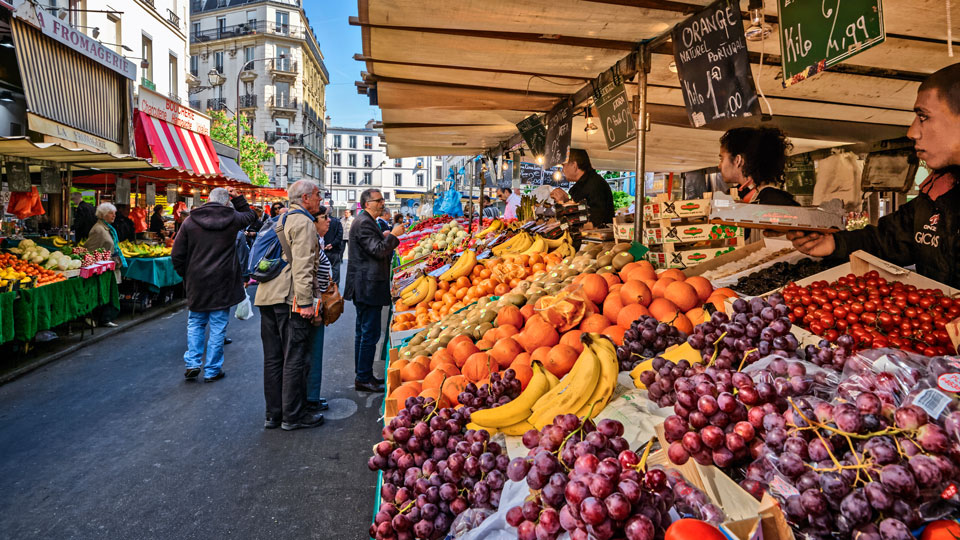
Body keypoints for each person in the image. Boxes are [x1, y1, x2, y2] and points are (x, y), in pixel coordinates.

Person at [788, 63, 960, 288]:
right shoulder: (935, 195)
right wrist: (834, 244)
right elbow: (888, 239)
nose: (912, 132)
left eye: (924, 116)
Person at [254, 180, 325, 430]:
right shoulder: (304, 222)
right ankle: (293, 416)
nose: (320, 199)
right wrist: (305, 302)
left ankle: (273, 414)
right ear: (305, 198)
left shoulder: (280, 219)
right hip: (289, 298)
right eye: (317, 195)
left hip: (267, 296)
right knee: (295, 357)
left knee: (273, 359)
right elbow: (303, 266)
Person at [171, 188, 256, 383]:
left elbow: (177, 254)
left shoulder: (190, 221)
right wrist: (239, 198)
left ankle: (192, 363)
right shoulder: (232, 218)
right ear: (227, 202)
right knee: (218, 325)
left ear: (207, 199)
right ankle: (212, 369)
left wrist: (187, 273)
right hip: (223, 279)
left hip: (197, 279)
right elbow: (251, 215)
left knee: (196, 322)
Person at [344, 188, 405, 392]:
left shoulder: (366, 222)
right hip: (367, 286)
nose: (382, 203)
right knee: (368, 333)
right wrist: (393, 236)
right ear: (366, 203)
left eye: (382, 200)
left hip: (366, 285)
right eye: (378, 201)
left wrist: (385, 236)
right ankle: (363, 377)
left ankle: (364, 374)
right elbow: (378, 251)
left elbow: (373, 247)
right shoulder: (364, 223)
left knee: (364, 332)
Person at [719, 127, 798, 206]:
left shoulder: (771, 201)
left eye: (722, 159)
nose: (719, 166)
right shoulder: (761, 197)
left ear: (738, 160)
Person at [306, 206, 334, 413]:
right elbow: (310, 275)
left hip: (316, 303)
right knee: (312, 352)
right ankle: (309, 398)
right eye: (324, 217)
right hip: (312, 305)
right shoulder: (311, 242)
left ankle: (311, 395)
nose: (329, 221)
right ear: (314, 222)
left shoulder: (318, 241)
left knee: (314, 351)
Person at [85, 203, 127, 327]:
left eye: (114, 213)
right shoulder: (98, 229)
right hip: (103, 268)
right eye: (111, 213)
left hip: (110, 266)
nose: (114, 215)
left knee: (109, 292)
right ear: (103, 215)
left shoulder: (107, 228)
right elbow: (90, 249)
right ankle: (101, 318)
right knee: (104, 292)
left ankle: (105, 318)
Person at [550, 149, 614, 227]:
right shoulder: (586, 183)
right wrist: (566, 202)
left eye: (564, 165)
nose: (563, 170)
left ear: (574, 165)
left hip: (594, 237)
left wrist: (563, 204)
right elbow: (581, 211)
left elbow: (594, 219)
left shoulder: (593, 184)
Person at [323, 209, 344, 288]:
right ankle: (335, 285)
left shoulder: (320, 222)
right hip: (334, 249)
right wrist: (332, 244)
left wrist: (325, 245)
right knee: (335, 268)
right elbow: (340, 235)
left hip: (323, 249)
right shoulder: (337, 222)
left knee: (323, 268)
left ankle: (325, 285)